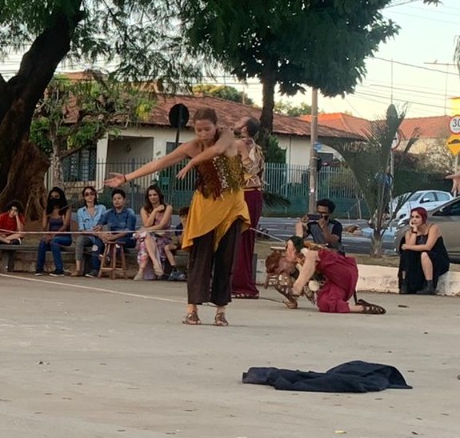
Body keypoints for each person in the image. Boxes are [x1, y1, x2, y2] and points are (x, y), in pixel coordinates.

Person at [107, 107, 248, 325]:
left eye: (207, 129)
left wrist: (192, 162)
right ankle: (192, 310)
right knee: (199, 257)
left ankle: (221, 311)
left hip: (232, 206)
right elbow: (159, 163)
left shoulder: (226, 135)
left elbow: (218, 150)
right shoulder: (192, 146)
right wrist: (126, 177)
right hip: (205, 206)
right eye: (198, 130)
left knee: (225, 258)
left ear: (216, 125)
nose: (203, 134)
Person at [271, 237, 385, 314]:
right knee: (323, 303)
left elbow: (313, 255)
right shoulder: (294, 271)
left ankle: (297, 286)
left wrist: (297, 286)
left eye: (288, 248)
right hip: (338, 286)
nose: (286, 252)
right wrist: (292, 301)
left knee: (311, 255)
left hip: (344, 272)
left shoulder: (310, 251)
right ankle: (361, 308)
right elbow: (310, 289)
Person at [232, 117, 265, 298]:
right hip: (254, 195)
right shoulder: (257, 147)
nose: (234, 123)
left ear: (244, 128)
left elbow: (251, 170)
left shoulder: (239, 144)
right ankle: (240, 282)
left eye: (238, 122)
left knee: (239, 238)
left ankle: (241, 285)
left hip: (246, 195)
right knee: (245, 239)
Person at [397, 206, 450, 295]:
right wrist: (414, 232)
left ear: (423, 218)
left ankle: (430, 286)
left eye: (417, 217)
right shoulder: (409, 232)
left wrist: (407, 246)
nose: (414, 220)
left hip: (437, 258)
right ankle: (405, 283)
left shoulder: (433, 228)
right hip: (420, 259)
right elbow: (409, 250)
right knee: (407, 254)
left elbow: (428, 247)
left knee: (424, 254)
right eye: (412, 217)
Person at [135, 185, 175, 280]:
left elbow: (161, 225)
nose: (152, 197)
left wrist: (145, 230)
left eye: (155, 195)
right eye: (150, 195)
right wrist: (155, 211)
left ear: (159, 195)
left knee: (145, 238)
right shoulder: (144, 209)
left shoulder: (168, 208)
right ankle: (155, 263)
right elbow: (147, 224)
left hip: (163, 237)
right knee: (146, 237)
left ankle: (141, 271)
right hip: (149, 237)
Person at [71, 185, 106, 276]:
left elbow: (105, 222)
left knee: (98, 243)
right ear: (84, 197)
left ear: (95, 195)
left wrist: (100, 230)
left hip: (100, 236)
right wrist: (93, 233)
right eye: (87, 194)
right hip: (88, 236)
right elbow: (81, 230)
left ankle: (97, 269)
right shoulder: (80, 211)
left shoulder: (102, 208)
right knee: (80, 240)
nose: (89, 196)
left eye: (91, 193)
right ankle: (78, 269)